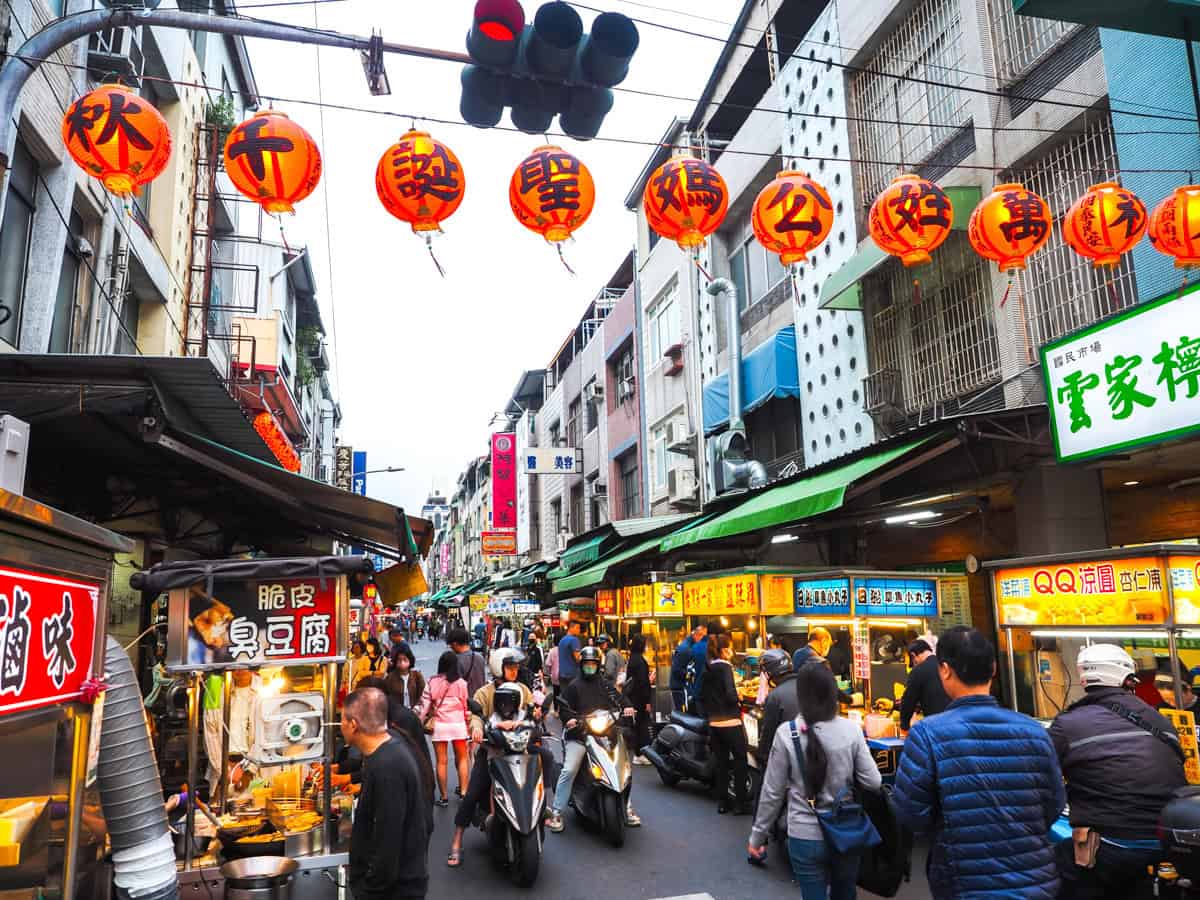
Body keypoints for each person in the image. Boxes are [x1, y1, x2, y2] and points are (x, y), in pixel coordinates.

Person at [893, 626, 1065, 900]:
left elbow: (909, 814)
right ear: (994, 669)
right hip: (1035, 877)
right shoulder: (1034, 731)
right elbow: (1054, 804)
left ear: (945, 670)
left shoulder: (927, 735)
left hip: (964, 881)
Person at [1049, 644, 1187, 899]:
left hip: (1111, 847)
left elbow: (1045, 782)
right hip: (1167, 842)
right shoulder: (1160, 720)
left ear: (1084, 679)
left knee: (1053, 863)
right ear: (1127, 679)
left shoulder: (1067, 724)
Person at [748, 664, 883, 898]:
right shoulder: (851, 730)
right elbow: (873, 781)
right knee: (845, 893)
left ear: (801, 695)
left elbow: (772, 792)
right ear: (833, 693)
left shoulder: (786, 733)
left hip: (804, 835)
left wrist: (757, 837)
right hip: (847, 831)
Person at [447, 649, 557, 867]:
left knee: (547, 756)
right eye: (510, 667)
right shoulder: (484, 694)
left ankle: (544, 805)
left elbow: (531, 712)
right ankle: (457, 841)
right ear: (498, 668)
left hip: (519, 749)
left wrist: (536, 716)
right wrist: (477, 730)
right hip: (492, 750)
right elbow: (476, 718)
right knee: (472, 793)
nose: (515, 671)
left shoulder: (523, 690)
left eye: (516, 667)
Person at [343, 687, 431, 900]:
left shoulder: (387, 766)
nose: (340, 725)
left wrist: (369, 890)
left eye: (342, 719)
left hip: (395, 890)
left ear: (354, 725)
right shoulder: (386, 752)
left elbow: (388, 839)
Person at [547, 646, 640, 833]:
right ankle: (557, 812)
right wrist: (569, 719)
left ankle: (628, 808)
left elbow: (619, 698)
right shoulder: (574, 686)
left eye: (593, 664)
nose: (590, 667)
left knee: (624, 768)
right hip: (581, 735)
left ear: (599, 666)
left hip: (607, 733)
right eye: (587, 664)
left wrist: (628, 707)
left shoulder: (605, 685)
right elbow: (563, 706)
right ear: (581, 665)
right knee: (570, 768)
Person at [702, 634, 751, 815]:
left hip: (714, 724)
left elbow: (701, 696)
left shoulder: (708, 668)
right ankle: (740, 802)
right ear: (724, 650)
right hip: (730, 721)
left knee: (721, 762)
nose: (731, 652)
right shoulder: (725, 668)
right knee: (740, 761)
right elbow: (731, 694)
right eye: (730, 648)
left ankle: (722, 802)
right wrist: (739, 697)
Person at [419, 651, 472, 807]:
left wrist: (417, 722)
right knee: (462, 758)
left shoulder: (432, 682)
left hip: (441, 726)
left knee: (441, 762)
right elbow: (464, 706)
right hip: (458, 725)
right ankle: (463, 792)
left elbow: (424, 706)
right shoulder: (462, 683)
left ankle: (443, 798)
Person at [755, 648, 798, 769]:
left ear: (769, 672)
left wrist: (761, 756)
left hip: (789, 760)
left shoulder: (775, 696)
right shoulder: (808, 684)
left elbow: (768, 733)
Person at [898, 638, 950, 732]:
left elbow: (908, 701)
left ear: (913, 656)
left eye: (913, 663)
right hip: (956, 725)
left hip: (936, 728)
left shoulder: (919, 670)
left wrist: (904, 726)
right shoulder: (947, 666)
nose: (914, 666)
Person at [624, 634, 654, 765]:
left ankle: (638, 753)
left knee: (637, 725)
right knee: (642, 725)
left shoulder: (632, 659)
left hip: (633, 697)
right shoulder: (640, 661)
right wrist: (647, 701)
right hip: (640, 698)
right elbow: (642, 682)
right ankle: (640, 753)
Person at [670, 622, 708, 711]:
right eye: (703, 638)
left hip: (681, 688)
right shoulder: (686, 648)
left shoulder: (689, 645)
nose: (704, 641)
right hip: (681, 689)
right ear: (697, 635)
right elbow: (676, 670)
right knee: (684, 715)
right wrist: (692, 674)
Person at [447, 628, 487, 696]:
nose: (450, 647)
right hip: (479, 700)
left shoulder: (456, 660)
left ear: (455, 644)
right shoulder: (480, 658)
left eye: (451, 645)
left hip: (464, 701)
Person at [386, 644, 425, 709]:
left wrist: (417, 707)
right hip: (397, 712)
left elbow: (423, 694)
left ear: (410, 661)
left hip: (414, 712)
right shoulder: (390, 677)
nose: (402, 662)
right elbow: (386, 696)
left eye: (405, 659)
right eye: (399, 660)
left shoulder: (417, 675)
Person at [557, 620, 583, 691]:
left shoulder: (562, 640)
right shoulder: (574, 640)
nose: (579, 630)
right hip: (572, 674)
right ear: (571, 628)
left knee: (565, 697)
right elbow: (577, 658)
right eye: (577, 628)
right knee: (573, 698)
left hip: (562, 673)